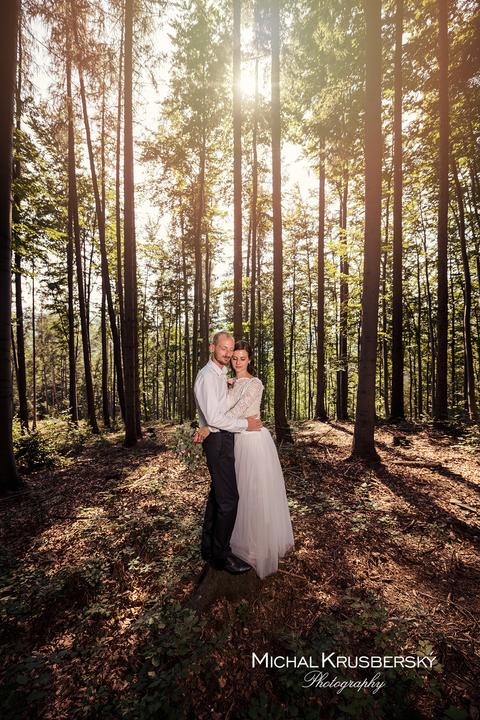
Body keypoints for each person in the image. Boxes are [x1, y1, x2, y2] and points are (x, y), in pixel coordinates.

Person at [195, 340, 294, 580]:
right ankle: (215, 547)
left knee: (251, 493)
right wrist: (210, 423)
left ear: (250, 359)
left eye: (242, 358)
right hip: (232, 440)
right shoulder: (223, 380)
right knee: (224, 493)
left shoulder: (254, 383)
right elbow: (219, 410)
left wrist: (209, 426)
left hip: (251, 442)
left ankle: (253, 545)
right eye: (234, 358)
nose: (237, 362)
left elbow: (237, 411)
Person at [193, 331, 262, 575]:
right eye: (224, 348)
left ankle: (209, 548)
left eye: (230, 350)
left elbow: (219, 409)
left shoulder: (220, 374)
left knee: (217, 494)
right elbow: (215, 417)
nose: (228, 353)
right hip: (218, 440)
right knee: (229, 499)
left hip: (222, 437)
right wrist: (245, 425)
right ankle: (221, 557)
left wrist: (207, 425)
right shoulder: (207, 376)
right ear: (213, 347)